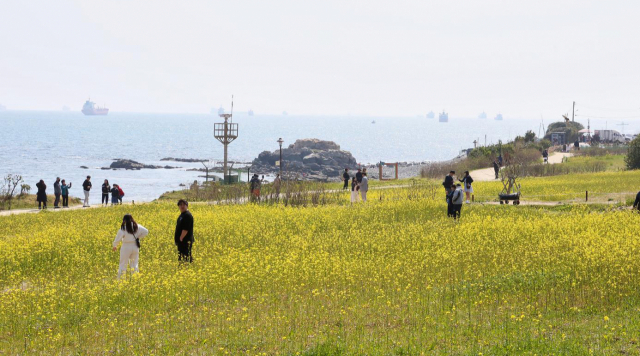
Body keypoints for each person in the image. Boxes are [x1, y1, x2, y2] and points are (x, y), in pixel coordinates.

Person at [112, 214, 149, 279]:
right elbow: (146, 231)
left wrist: (115, 245)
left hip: (126, 246)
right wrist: (138, 237)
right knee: (134, 264)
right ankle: (135, 278)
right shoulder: (137, 226)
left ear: (124, 220)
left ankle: (121, 280)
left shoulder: (123, 228)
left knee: (123, 264)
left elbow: (118, 238)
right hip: (135, 246)